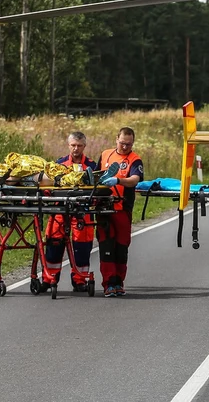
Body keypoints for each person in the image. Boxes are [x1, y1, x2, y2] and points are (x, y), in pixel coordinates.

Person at [41, 131, 98, 292]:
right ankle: (49, 279)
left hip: (83, 211)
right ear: (68, 146)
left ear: (84, 146)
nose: (76, 149)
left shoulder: (93, 166)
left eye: (79, 146)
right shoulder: (59, 164)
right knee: (53, 244)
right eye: (73, 145)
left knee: (82, 247)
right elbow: (49, 186)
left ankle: (80, 280)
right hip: (59, 210)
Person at [97, 127, 143, 297]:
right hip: (104, 208)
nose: (125, 147)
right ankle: (108, 283)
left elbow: (134, 180)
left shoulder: (135, 160)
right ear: (116, 139)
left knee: (121, 247)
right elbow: (95, 175)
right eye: (122, 143)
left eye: (128, 144)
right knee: (106, 245)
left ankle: (119, 282)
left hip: (123, 209)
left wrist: (118, 180)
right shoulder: (105, 155)